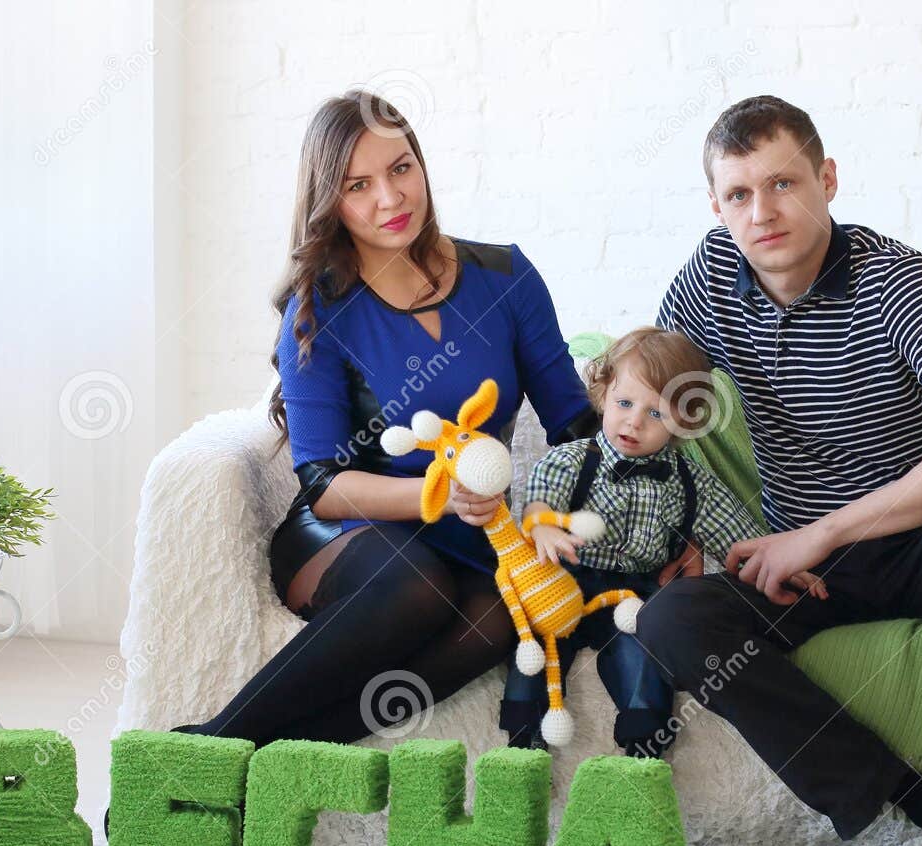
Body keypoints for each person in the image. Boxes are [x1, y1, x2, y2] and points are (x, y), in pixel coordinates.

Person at [637, 95, 922, 846]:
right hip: (811, 577)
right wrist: (668, 529)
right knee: (674, 618)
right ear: (715, 205)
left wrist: (819, 530)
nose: (762, 212)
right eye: (738, 194)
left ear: (827, 179)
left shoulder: (892, 277)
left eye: (782, 184)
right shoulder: (711, 275)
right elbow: (647, 406)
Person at [173, 90, 608, 750]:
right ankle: (211, 742)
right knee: (419, 584)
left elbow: (573, 424)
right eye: (359, 185)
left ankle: (271, 755)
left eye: (401, 169)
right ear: (330, 202)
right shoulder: (316, 310)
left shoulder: (507, 278)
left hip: (470, 536)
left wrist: (636, 502)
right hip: (345, 533)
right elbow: (322, 480)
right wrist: (441, 498)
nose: (391, 198)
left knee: (501, 618)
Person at [499, 326, 825, 757]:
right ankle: (523, 739)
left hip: (636, 594)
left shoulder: (692, 483)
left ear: (685, 421)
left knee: (647, 658)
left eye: (656, 414)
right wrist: (542, 528)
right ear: (602, 394)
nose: (634, 421)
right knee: (536, 642)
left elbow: (739, 534)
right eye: (625, 403)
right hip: (567, 582)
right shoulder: (572, 460)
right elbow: (541, 501)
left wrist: (786, 562)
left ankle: (642, 748)